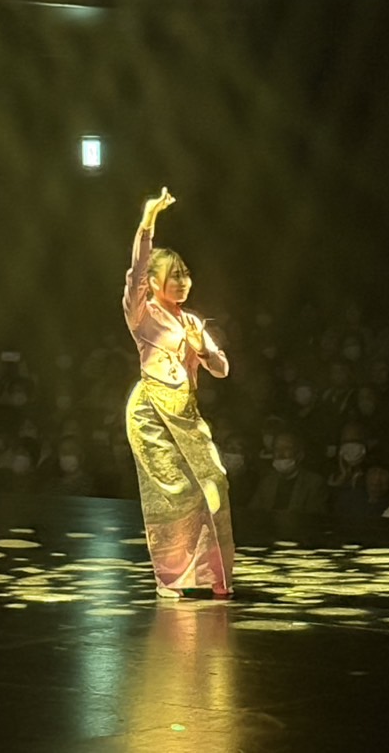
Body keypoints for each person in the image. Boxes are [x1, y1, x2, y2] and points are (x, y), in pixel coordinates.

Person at [123, 188, 234, 599]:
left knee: (214, 482)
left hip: (185, 413)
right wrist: (148, 220)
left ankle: (218, 577)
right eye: (173, 276)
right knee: (176, 493)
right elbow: (136, 269)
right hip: (150, 412)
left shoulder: (191, 321)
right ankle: (170, 579)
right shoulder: (142, 313)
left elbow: (222, 369)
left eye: (185, 275)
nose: (183, 282)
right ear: (154, 283)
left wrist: (202, 348)